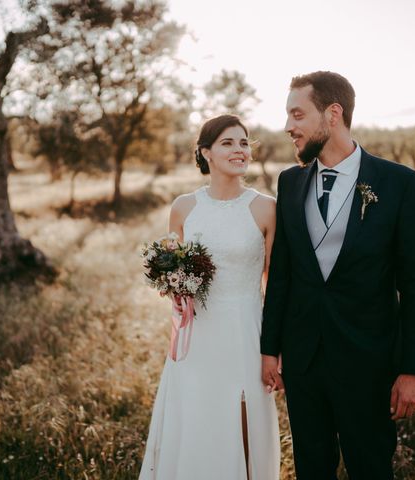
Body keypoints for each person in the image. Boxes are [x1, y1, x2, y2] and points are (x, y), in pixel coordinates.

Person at [260, 71, 415, 480]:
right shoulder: (290, 182)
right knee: (312, 469)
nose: (289, 127)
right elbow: (282, 273)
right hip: (303, 362)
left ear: (333, 113)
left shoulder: (399, 183)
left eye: (297, 114)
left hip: (369, 362)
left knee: (370, 467)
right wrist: (270, 349)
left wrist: (413, 370)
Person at [140, 114, 281, 480]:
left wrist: (276, 348)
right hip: (197, 337)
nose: (240, 150)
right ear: (206, 152)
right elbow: (175, 270)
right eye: (228, 143)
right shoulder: (184, 207)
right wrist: (175, 289)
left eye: (245, 142)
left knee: (244, 420)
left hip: (246, 332)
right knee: (198, 420)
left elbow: (277, 284)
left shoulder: (266, 207)